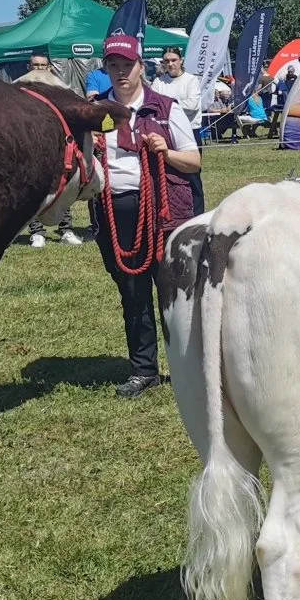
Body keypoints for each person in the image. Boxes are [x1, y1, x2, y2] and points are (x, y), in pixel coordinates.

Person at [91, 35, 200, 398]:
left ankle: (189, 367)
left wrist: (165, 151)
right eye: (113, 66)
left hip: (162, 209)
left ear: (141, 67)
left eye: (127, 65)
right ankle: (143, 370)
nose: (121, 73)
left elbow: (194, 161)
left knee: (173, 291)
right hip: (114, 208)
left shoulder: (165, 108)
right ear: (106, 69)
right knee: (132, 290)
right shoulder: (97, 112)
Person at [16, 52, 85, 247]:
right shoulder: (20, 92)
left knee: (63, 189)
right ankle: (37, 232)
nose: (39, 69)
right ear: (29, 68)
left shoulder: (59, 91)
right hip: (32, 149)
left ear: (49, 68)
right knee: (35, 192)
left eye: (42, 65)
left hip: (58, 149)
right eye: (35, 65)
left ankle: (66, 230)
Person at [149, 47, 205, 214]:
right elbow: (153, 104)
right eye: (166, 61)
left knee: (193, 175)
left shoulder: (191, 80)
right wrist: (175, 104)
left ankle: (197, 213)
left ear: (181, 60)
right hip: (166, 133)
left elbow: (193, 105)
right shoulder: (159, 82)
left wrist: (168, 105)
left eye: (173, 60)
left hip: (190, 132)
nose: (170, 64)